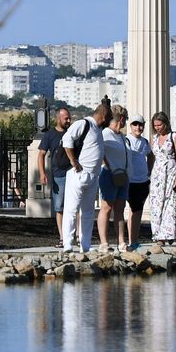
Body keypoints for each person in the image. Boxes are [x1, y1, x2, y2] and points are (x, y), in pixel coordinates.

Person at [60, 100, 110, 252]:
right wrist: (73, 161)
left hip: (93, 176)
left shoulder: (98, 129)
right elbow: (67, 140)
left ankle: (85, 245)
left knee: (88, 213)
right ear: (104, 115)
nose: (110, 121)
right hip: (78, 174)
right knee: (71, 209)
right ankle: (68, 244)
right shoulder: (84, 124)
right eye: (109, 118)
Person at [96, 105, 130, 251]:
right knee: (106, 207)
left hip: (122, 176)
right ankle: (104, 242)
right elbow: (99, 151)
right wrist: (109, 165)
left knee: (120, 209)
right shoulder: (105, 134)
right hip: (108, 174)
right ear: (121, 119)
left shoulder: (122, 137)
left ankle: (121, 241)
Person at [146, 112, 176, 244]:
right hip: (157, 174)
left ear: (165, 123)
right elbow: (152, 157)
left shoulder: (173, 136)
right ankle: (158, 235)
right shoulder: (154, 138)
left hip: (171, 172)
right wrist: (148, 173)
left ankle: (168, 234)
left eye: (159, 125)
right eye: (155, 125)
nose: (157, 128)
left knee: (170, 203)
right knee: (156, 204)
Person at [37, 106, 73, 235]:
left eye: (69, 118)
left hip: (73, 174)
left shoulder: (72, 133)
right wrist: (42, 173)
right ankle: (63, 237)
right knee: (59, 208)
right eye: (66, 118)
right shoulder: (50, 135)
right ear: (58, 119)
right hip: (58, 176)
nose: (68, 121)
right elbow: (41, 154)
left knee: (75, 206)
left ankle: (77, 235)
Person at [124, 114, 151, 250]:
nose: (138, 127)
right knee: (135, 211)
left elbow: (151, 155)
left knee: (136, 212)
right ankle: (132, 241)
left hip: (143, 181)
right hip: (131, 181)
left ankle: (133, 240)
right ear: (131, 126)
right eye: (135, 124)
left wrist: (150, 172)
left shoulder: (145, 142)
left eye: (140, 125)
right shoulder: (126, 140)